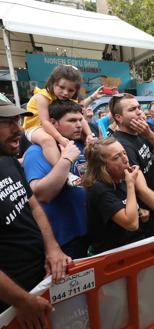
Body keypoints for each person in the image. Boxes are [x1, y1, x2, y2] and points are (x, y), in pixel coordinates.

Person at [0, 98, 70, 322]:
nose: (18, 129)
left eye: (17, 120)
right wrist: (22, 301)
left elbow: (32, 205)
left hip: (42, 277)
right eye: (8, 122)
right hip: (12, 302)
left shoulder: (8, 161)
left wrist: (52, 248)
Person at [83, 138, 154, 254]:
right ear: (102, 166)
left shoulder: (120, 175)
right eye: (116, 157)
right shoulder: (99, 188)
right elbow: (131, 224)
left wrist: (139, 210)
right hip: (113, 255)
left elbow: (135, 196)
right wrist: (130, 184)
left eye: (124, 153)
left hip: (132, 246)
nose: (125, 159)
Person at [23, 100, 89, 259]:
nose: (79, 125)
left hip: (88, 230)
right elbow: (42, 194)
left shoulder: (80, 144)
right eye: (72, 120)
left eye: (80, 119)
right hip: (64, 241)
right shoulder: (36, 152)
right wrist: (65, 161)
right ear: (53, 123)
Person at [24, 65, 100, 184]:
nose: (65, 93)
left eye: (70, 90)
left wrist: (90, 135)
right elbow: (45, 122)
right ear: (53, 82)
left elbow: (80, 117)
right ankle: (66, 172)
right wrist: (60, 138)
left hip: (50, 126)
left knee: (86, 138)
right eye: (61, 87)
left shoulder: (66, 100)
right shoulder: (42, 97)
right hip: (34, 126)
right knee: (48, 140)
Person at [110, 93, 154, 232]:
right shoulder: (120, 145)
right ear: (118, 118)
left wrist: (150, 135)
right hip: (143, 213)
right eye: (132, 110)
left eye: (139, 107)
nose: (139, 112)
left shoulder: (140, 133)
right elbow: (141, 189)